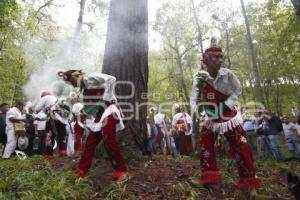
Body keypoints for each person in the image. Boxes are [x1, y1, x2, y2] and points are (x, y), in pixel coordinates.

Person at [190, 39, 260, 190]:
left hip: (229, 115)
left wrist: (225, 106)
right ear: (206, 61)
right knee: (205, 143)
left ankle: (248, 180)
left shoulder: (228, 74)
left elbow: (238, 90)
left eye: (221, 57)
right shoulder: (198, 78)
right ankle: (210, 178)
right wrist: (202, 114)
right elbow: (194, 100)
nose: (219, 60)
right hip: (209, 117)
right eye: (215, 57)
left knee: (241, 144)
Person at [58, 69, 128, 181]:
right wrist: (84, 114)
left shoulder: (92, 77)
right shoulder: (84, 90)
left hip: (109, 109)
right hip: (99, 116)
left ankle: (121, 169)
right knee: (90, 143)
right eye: (71, 83)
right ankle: (82, 170)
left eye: (72, 81)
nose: (73, 85)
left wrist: (105, 99)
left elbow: (112, 79)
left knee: (109, 139)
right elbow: (91, 107)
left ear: (76, 77)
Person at [35, 91, 69, 159]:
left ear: (43, 96)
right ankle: (63, 150)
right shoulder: (56, 99)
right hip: (63, 117)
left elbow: (37, 109)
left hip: (52, 117)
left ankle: (49, 154)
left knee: (49, 135)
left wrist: (43, 109)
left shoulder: (45, 97)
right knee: (62, 134)